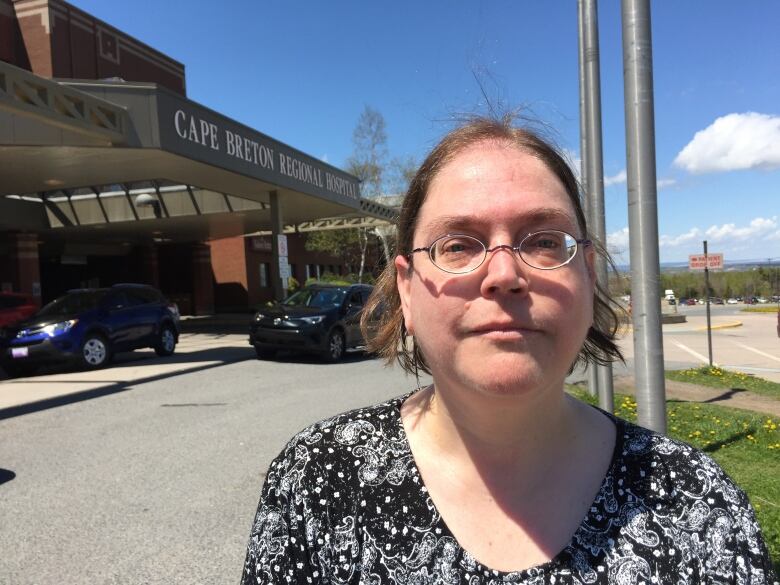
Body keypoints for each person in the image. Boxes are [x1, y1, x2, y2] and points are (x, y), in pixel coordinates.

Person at [241, 116, 778, 584]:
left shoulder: (695, 501)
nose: (504, 274)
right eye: (457, 244)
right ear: (406, 287)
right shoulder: (316, 485)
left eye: (544, 241)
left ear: (588, 276)